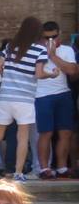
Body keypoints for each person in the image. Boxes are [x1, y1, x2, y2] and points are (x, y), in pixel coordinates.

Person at [0, 17, 44, 182]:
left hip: (5, 97)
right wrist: (52, 74)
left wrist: (11, 77)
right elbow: (39, 74)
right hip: (25, 99)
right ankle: (18, 172)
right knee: (22, 136)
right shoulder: (40, 50)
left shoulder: (9, 47)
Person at [33, 21, 75, 179]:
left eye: (54, 37)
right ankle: (44, 168)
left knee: (65, 132)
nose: (50, 40)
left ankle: (62, 167)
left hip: (63, 94)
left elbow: (71, 70)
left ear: (59, 34)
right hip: (42, 95)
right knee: (46, 133)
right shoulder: (35, 50)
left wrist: (52, 55)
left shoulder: (67, 50)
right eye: (46, 38)